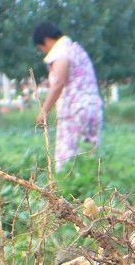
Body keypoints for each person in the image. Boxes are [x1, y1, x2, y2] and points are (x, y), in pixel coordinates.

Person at [32, 21, 103, 168]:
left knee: (67, 161)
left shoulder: (61, 51)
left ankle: (69, 190)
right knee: (89, 159)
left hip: (75, 111)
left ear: (47, 40)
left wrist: (44, 111)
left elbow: (59, 83)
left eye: (42, 48)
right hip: (91, 109)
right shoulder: (75, 49)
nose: (44, 52)